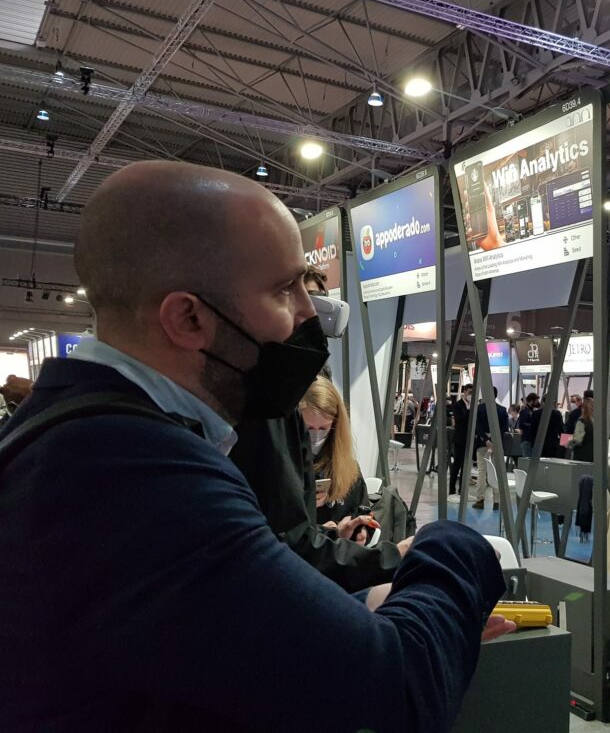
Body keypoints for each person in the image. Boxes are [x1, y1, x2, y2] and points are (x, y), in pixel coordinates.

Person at [0, 161, 512, 731]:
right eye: (284, 290)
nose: (308, 314)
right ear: (188, 318)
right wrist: (452, 544)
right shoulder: (134, 474)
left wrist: (354, 611)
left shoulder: (71, 434)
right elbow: (402, 686)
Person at [229, 266, 401, 593]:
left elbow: (294, 536)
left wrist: (332, 535)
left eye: (318, 302)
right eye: (293, 295)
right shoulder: (265, 409)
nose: (311, 314)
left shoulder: (288, 400)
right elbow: (288, 542)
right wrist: (393, 558)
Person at [299, 377, 369, 534]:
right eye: (308, 428)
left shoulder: (349, 469)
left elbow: (363, 512)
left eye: (324, 428)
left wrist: (361, 532)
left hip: (342, 548)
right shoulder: (283, 469)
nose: (316, 435)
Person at [473, 387, 510, 511]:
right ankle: (497, 501)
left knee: (481, 472)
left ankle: (480, 500)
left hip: (482, 444)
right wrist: (493, 440)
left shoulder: (479, 409)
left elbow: (477, 427)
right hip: (497, 445)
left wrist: (486, 439)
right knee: (497, 472)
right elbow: (504, 429)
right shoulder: (502, 410)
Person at [449, 383, 473, 497]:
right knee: (457, 464)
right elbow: (459, 420)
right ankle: (452, 490)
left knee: (466, 466)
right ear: (464, 392)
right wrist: (468, 409)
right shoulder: (457, 405)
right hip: (459, 439)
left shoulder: (474, 405)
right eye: (469, 392)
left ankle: (462, 490)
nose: (470, 395)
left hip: (470, 439)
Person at [566, 395, 594, 462]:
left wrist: (567, 443)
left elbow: (577, 440)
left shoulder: (581, 421)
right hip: (593, 455)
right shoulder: (595, 421)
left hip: (581, 455)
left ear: (583, 408)